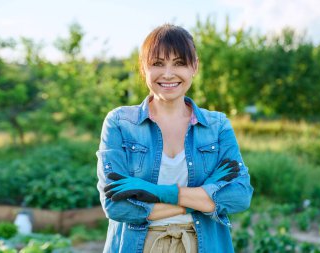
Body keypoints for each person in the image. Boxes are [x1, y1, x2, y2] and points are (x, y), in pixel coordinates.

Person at [96, 24, 253, 253]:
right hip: (138, 246)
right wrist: (200, 200)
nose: (168, 74)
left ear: (194, 67)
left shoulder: (217, 126)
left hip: (203, 245)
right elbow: (117, 207)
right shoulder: (120, 123)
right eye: (158, 63)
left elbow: (239, 196)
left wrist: (160, 193)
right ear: (144, 68)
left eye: (179, 63)